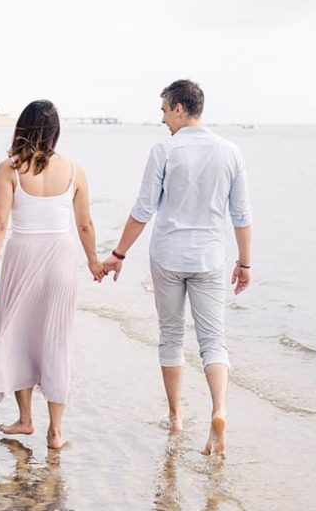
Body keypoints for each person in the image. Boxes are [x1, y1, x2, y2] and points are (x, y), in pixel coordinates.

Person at [102, 80, 252, 455]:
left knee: (171, 336)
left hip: (168, 256)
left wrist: (118, 254)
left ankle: (176, 417)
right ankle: (218, 411)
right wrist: (245, 263)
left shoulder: (165, 150)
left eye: (165, 110)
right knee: (213, 341)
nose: (163, 118)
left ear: (180, 109)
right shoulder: (230, 151)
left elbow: (143, 208)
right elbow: (242, 215)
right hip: (210, 258)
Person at [0, 99, 105, 449]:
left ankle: (25, 419)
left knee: (18, 333)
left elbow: (0, 222)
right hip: (62, 259)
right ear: (55, 132)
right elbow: (84, 223)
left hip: (23, 255)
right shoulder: (76, 171)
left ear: (23, 126)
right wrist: (94, 261)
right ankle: (56, 431)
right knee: (56, 340)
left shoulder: (10, 169)